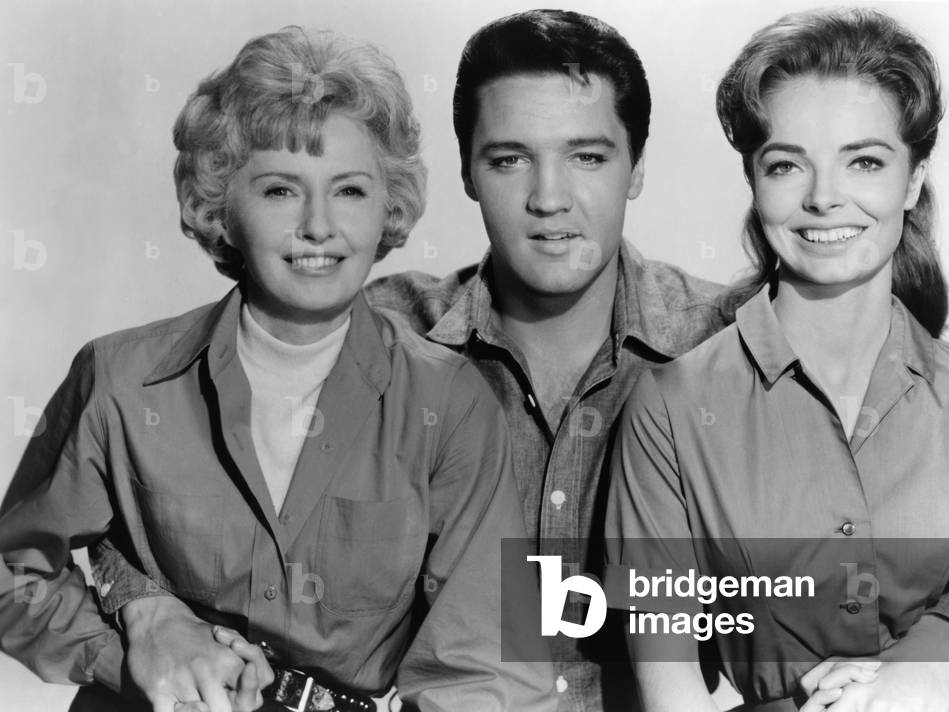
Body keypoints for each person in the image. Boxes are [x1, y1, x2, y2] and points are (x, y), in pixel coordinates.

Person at [86, 10, 728, 712]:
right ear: (465, 173)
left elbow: (833, 575)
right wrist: (147, 608)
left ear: (636, 167)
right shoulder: (370, 335)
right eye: (509, 158)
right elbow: (151, 497)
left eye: (587, 156)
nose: (549, 198)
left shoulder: (726, 346)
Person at [0, 26, 555, 712]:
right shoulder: (118, 378)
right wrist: (130, 650)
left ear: (390, 204)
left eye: (349, 190)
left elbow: (488, 668)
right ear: (220, 208)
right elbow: (12, 573)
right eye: (280, 191)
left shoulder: (451, 403)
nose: (318, 226)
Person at [604, 7, 949, 712]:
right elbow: (667, 683)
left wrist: (931, 662)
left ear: (913, 180)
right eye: (786, 164)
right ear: (753, 180)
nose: (823, 197)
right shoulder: (670, 408)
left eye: (863, 161)